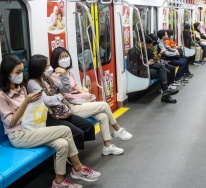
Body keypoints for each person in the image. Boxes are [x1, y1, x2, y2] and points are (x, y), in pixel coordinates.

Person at [0, 55, 101, 188]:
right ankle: (78, 169)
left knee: (63, 144)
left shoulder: (22, 88)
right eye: (17, 72)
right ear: (7, 74)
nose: (20, 75)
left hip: (32, 128)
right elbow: (11, 123)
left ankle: (58, 182)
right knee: (65, 130)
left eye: (21, 71)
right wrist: (26, 102)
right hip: (18, 135)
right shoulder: (2, 95)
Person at [50, 47, 133, 154]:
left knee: (103, 116)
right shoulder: (55, 75)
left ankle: (107, 147)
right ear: (56, 60)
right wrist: (83, 95)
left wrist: (80, 91)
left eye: (66, 56)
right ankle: (117, 129)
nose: (65, 59)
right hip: (70, 107)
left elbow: (74, 87)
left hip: (78, 103)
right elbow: (66, 95)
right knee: (103, 105)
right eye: (61, 57)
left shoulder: (68, 72)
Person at [26, 54, 96, 150]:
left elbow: (66, 90)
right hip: (49, 117)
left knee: (88, 126)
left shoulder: (48, 78)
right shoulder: (32, 83)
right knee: (77, 133)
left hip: (60, 111)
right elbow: (46, 101)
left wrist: (63, 76)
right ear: (40, 68)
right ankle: (71, 155)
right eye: (47, 66)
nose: (50, 68)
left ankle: (74, 149)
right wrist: (59, 97)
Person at [145, 35, 179, 103]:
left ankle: (166, 92)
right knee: (164, 70)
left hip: (152, 64)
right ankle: (166, 92)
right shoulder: (145, 50)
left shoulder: (149, 48)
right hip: (146, 67)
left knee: (167, 71)